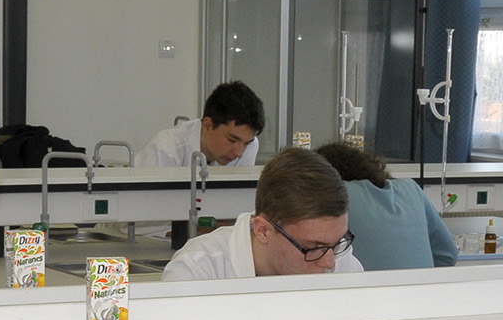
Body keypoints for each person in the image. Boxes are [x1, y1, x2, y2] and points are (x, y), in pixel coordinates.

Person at [161, 147, 364, 281]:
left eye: (337, 242)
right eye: (313, 248)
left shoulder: (338, 258)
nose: (329, 263)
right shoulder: (197, 270)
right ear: (263, 231)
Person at [313, 141, 457, 270]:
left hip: (366, 290)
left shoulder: (335, 196)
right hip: (423, 289)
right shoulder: (410, 188)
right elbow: (448, 255)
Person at [133, 81, 265, 168]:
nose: (239, 153)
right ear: (207, 125)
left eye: (246, 143)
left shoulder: (250, 146)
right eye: (232, 140)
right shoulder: (164, 150)